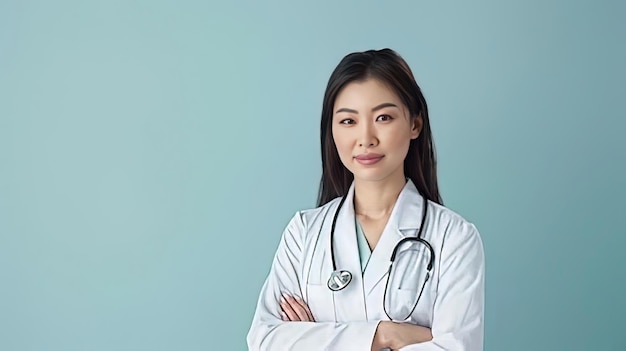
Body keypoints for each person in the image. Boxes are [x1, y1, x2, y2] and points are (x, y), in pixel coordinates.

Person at [247, 48, 485, 351]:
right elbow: (265, 341)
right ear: (331, 130)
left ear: (415, 124)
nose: (366, 138)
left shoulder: (455, 239)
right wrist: (384, 335)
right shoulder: (303, 233)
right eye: (348, 121)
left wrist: (314, 339)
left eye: (383, 117)